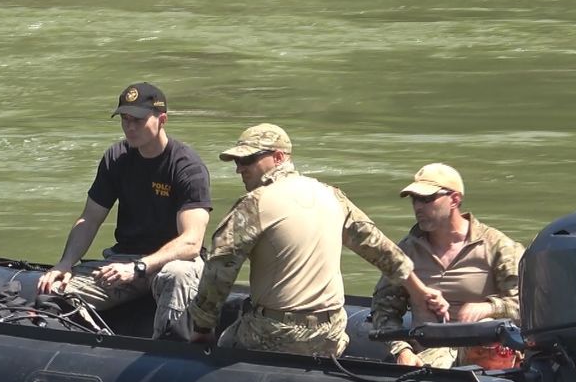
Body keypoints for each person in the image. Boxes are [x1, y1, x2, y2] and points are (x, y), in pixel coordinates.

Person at [187, 123, 448, 356]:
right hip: (330, 333)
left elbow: (219, 267)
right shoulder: (333, 196)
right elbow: (380, 249)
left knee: (224, 344)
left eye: (249, 160)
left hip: (276, 332)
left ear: (278, 157)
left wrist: (203, 326)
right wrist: (420, 290)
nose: (239, 169)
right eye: (237, 162)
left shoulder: (254, 204)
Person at [36, 82, 212, 340]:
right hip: (125, 259)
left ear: (162, 119)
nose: (130, 127)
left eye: (138, 120)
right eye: (125, 119)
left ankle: (169, 351)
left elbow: (191, 242)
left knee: (177, 274)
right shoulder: (116, 157)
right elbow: (90, 218)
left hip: (171, 263)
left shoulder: (186, 166)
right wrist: (65, 263)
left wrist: (139, 267)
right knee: (55, 291)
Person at [370, 162, 525, 368]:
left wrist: (489, 307)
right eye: (415, 199)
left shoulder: (498, 246)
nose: (418, 207)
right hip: (429, 354)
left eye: (427, 199)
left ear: (454, 199)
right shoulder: (407, 251)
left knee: (487, 329)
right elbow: (384, 310)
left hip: (483, 353)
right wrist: (402, 350)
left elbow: (526, 307)